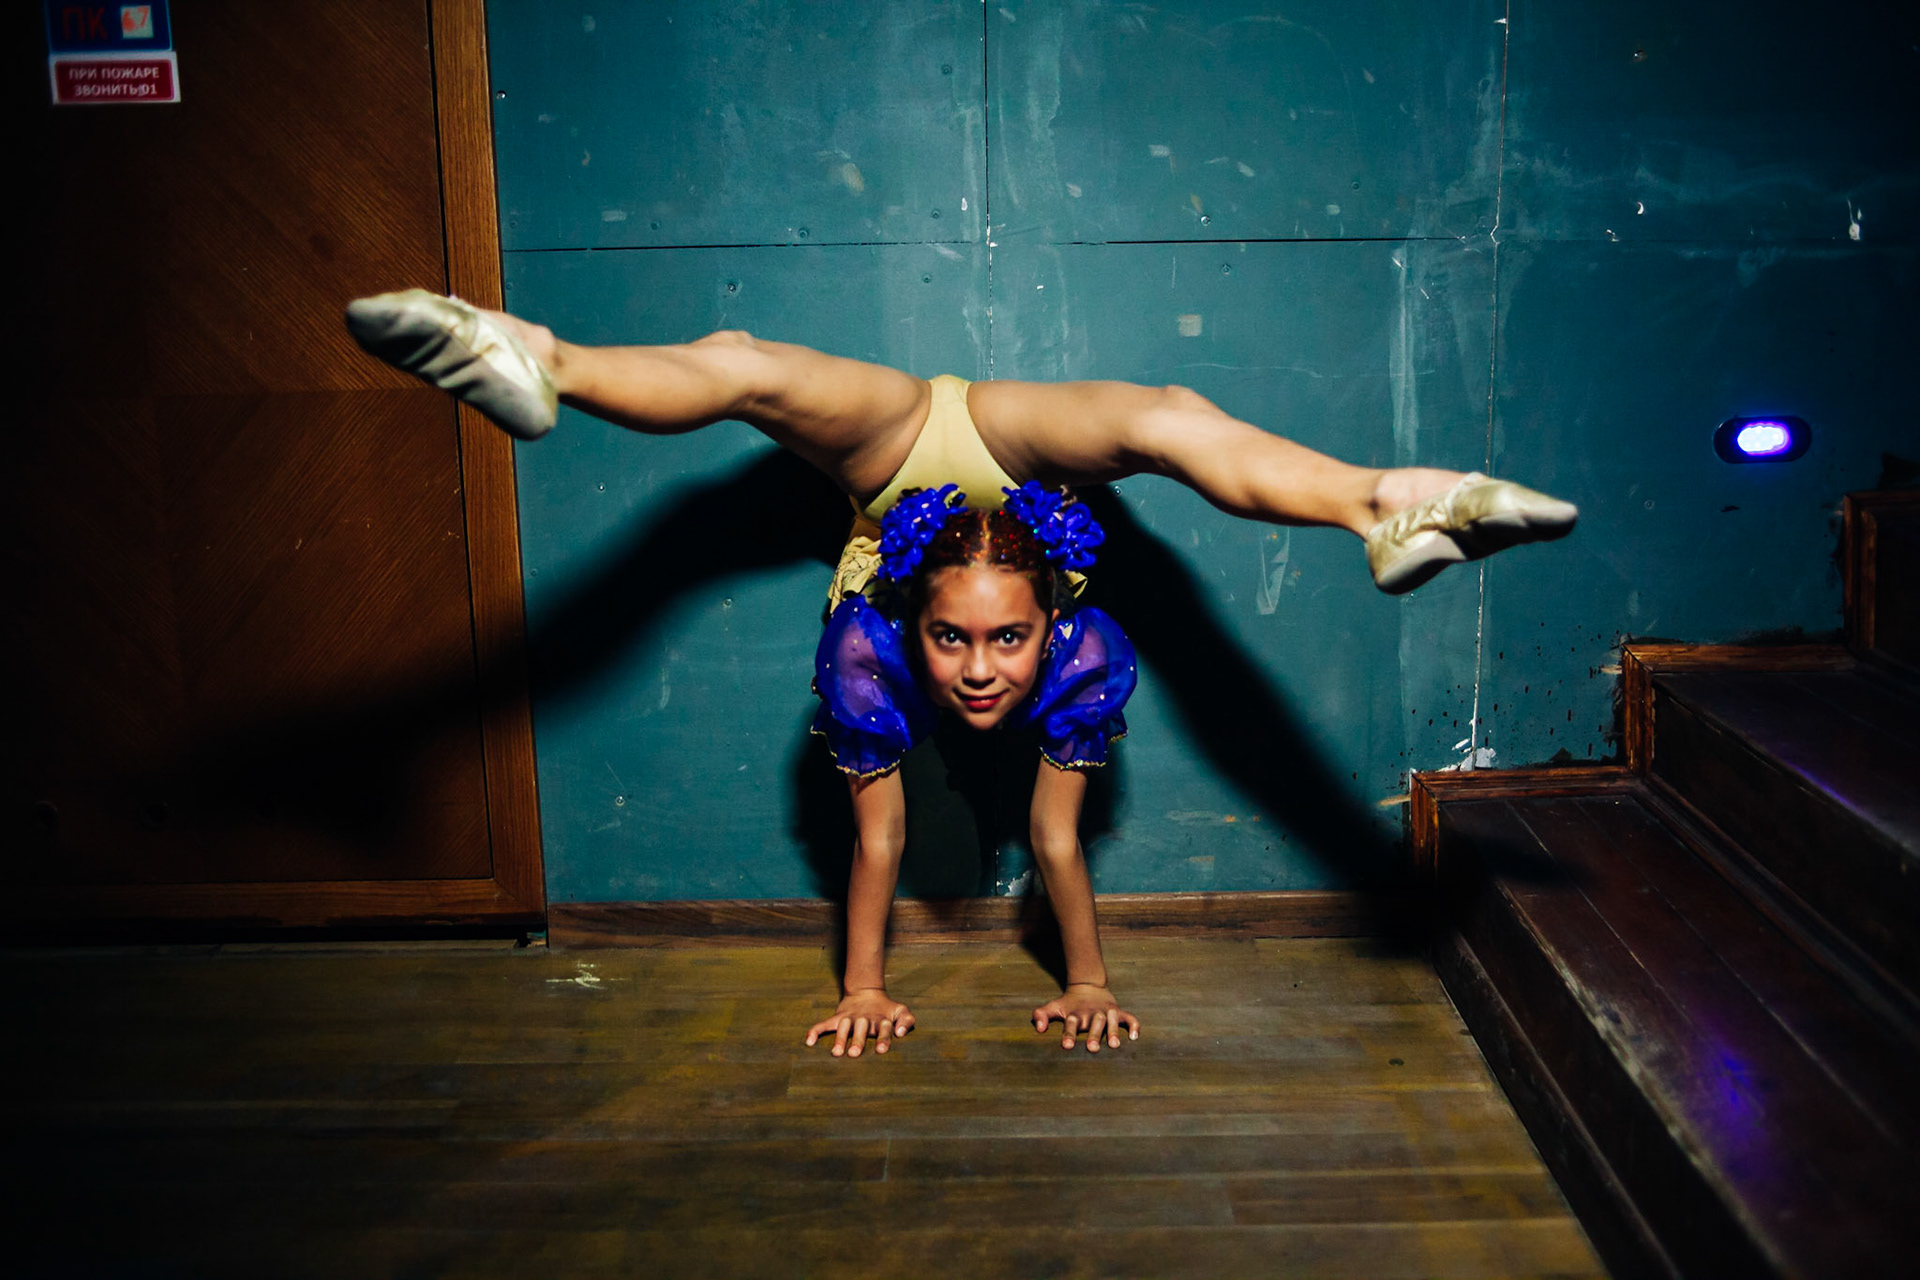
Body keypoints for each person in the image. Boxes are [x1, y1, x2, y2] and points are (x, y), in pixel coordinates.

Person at [343, 288, 1579, 1056]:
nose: (982, 676)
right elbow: (875, 842)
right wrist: (865, 989)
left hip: (1001, 441)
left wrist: (1089, 977)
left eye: (1005, 643)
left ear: (1050, 622)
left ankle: (1384, 498)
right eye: (954, 641)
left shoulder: (1083, 655)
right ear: (912, 623)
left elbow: (1053, 838)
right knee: (746, 363)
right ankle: (540, 355)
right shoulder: (866, 655)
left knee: (1165, 414)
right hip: (896, 455)